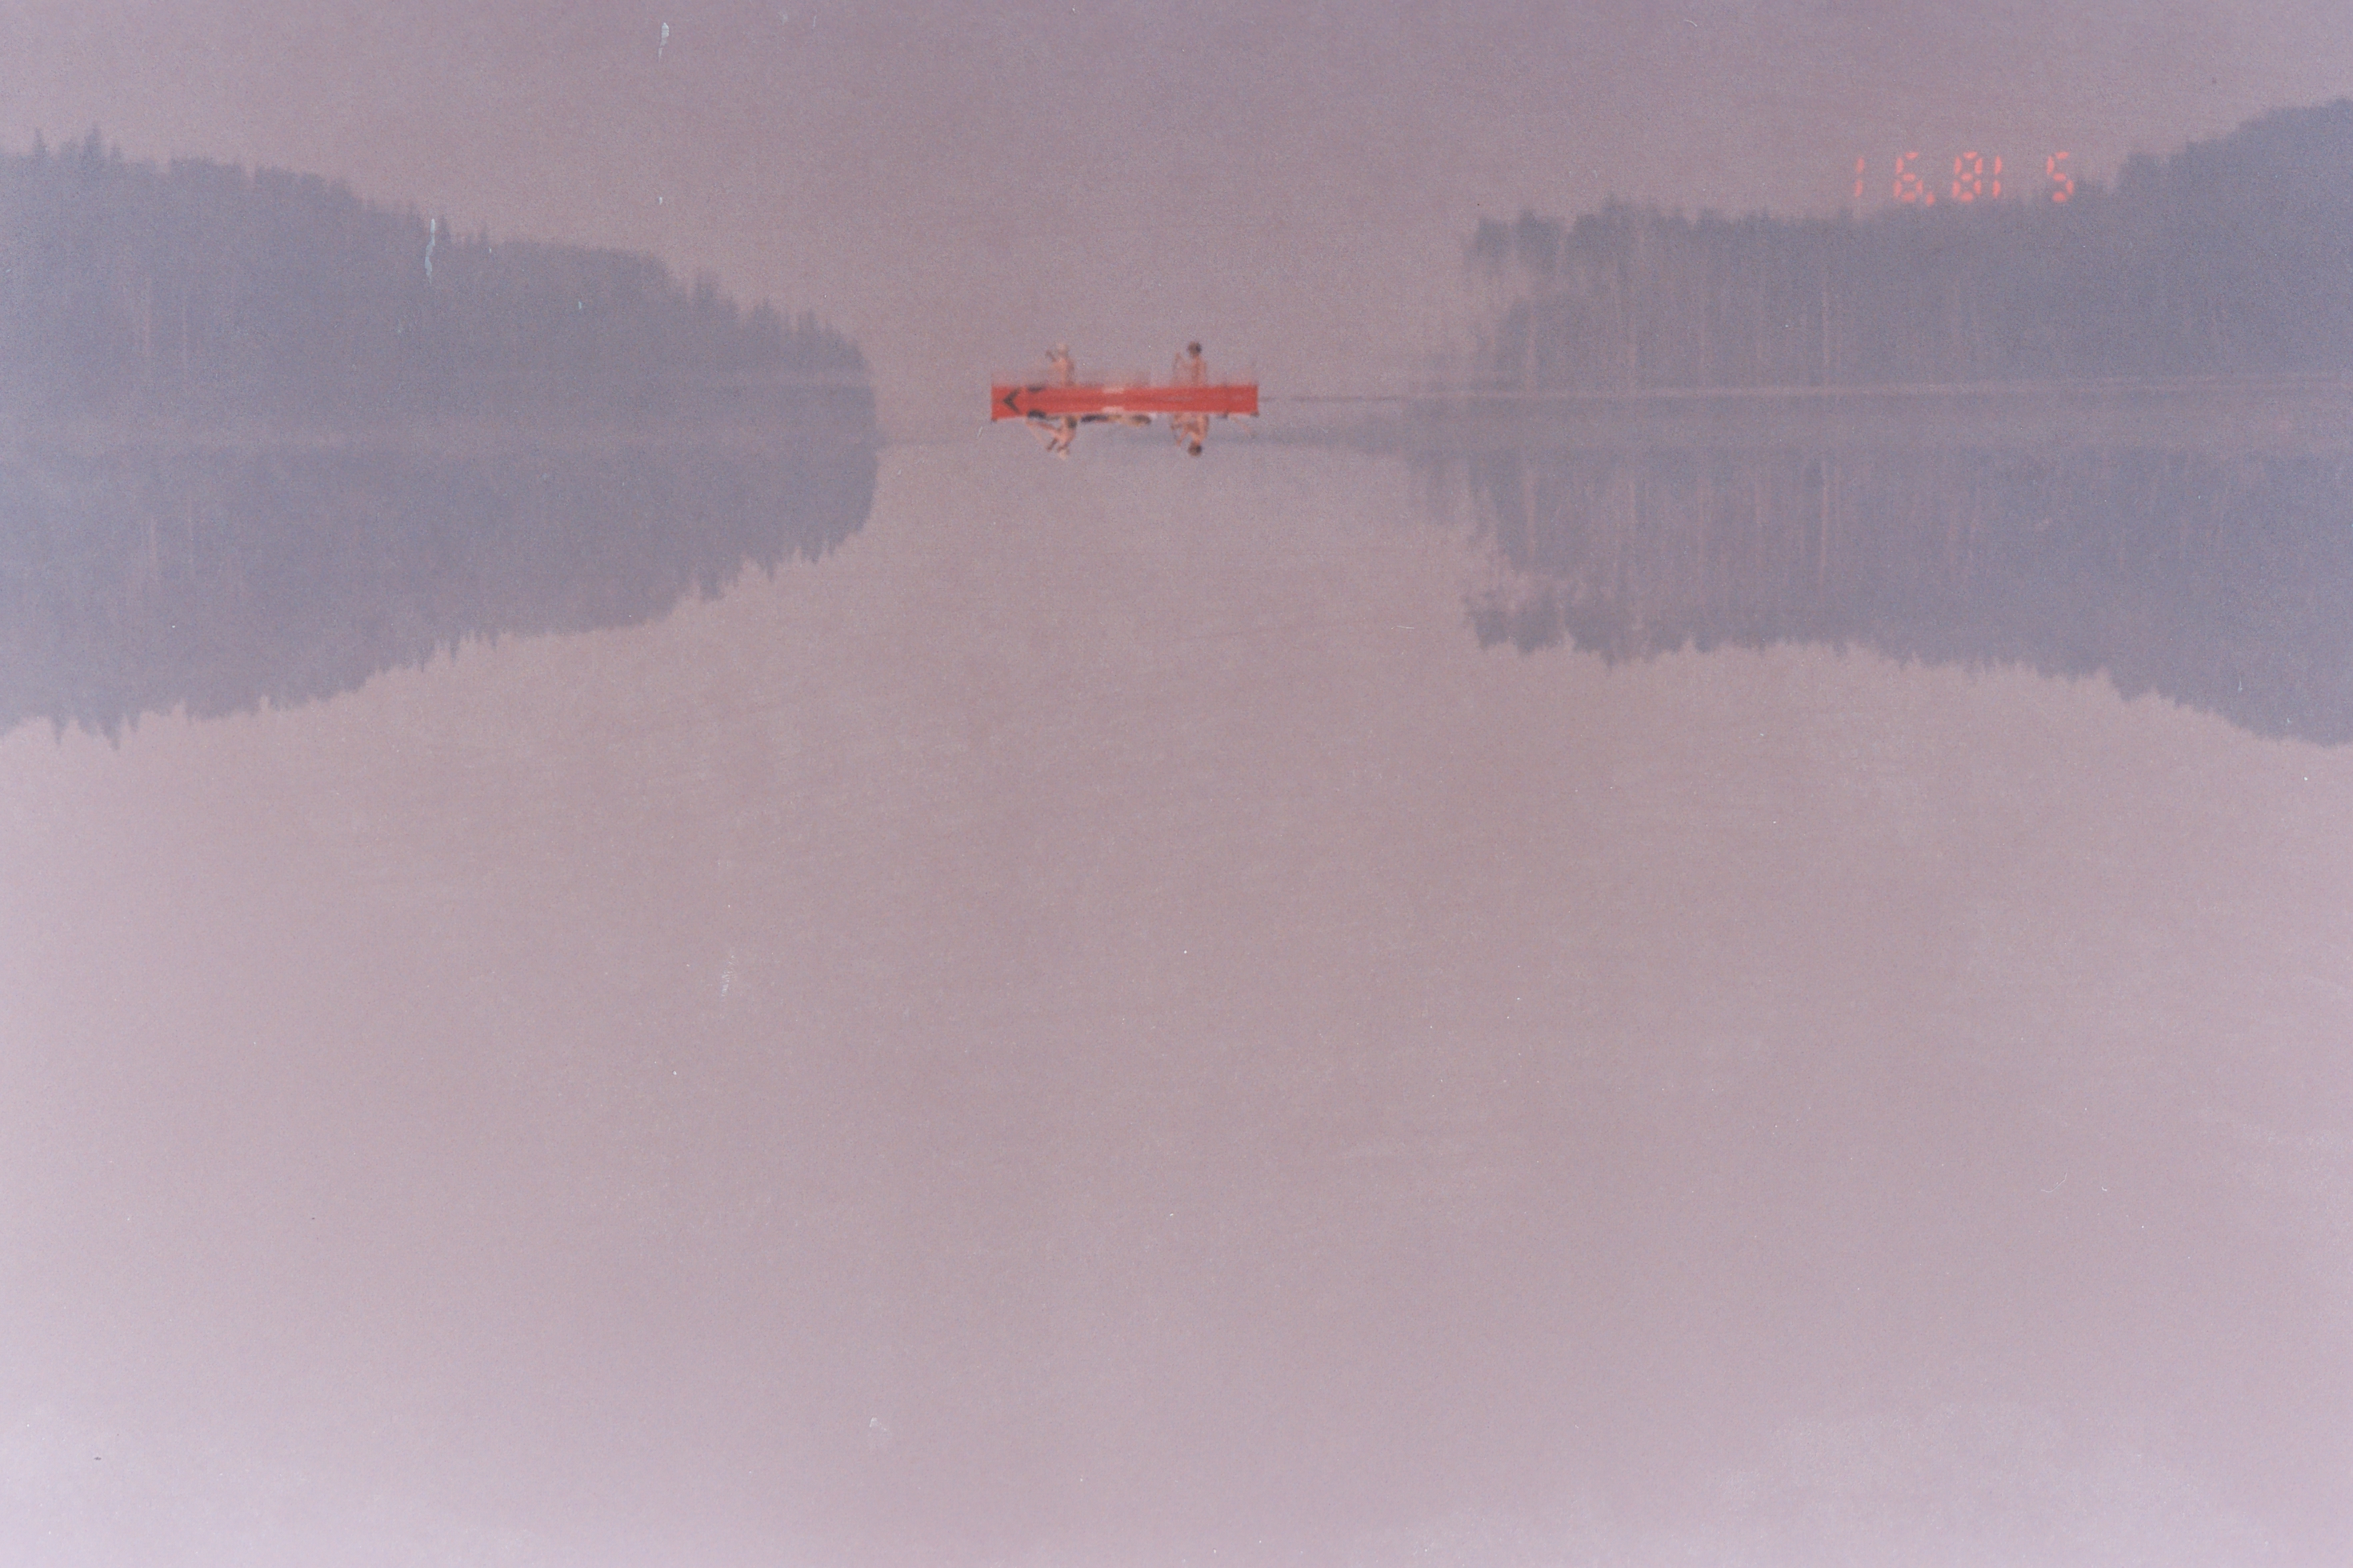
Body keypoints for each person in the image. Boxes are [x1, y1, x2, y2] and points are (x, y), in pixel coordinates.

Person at [1170, 341, 1209, 455]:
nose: (1190, 444)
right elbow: (1188, 427)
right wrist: (1180, 439)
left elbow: (1188, 426)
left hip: (1196, 411)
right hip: (1198, 410)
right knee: (1177, 418)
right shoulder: (1200, 437)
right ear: (1194, 446)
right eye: (1190, 447)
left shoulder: (1199, 437)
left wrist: (1177, 426)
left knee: (1177, 419)